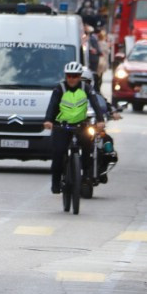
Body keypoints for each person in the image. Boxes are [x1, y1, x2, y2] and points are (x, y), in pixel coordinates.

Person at [43, 61, 105, 194]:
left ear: (80, 76)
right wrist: (48, 120)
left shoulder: (86, 88)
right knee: (58, 152)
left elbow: (95, 104)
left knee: (88, 146)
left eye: (75, 76)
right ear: (66, 76)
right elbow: (52, 105)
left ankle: (86, 175)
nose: (72, 79)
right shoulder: (59, 88)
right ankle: (56, 181)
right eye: (69, 76)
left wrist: (100, 120)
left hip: (80, 125)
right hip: (62, 125)